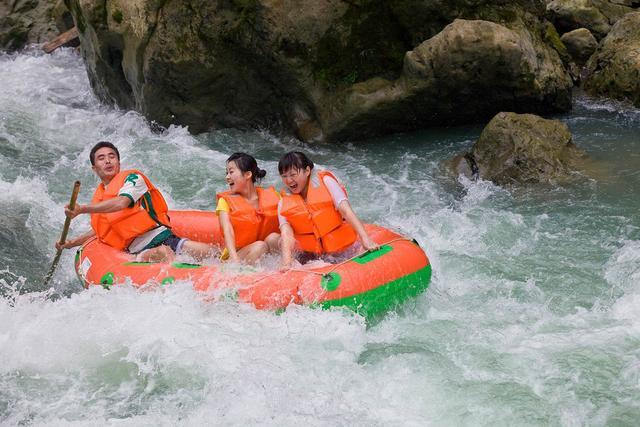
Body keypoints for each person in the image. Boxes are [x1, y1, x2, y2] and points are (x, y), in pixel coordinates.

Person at [56, 141, 214, 263]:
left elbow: (122, 203)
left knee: (209, 254)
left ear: (119, 163)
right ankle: (145, 258)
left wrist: (82, 209)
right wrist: (71, 243)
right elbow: (100, 231)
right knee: (163, 253)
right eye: (101, 158)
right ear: (94, 168)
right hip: (133, 249)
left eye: (112, 156)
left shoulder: (133, 179)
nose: (108, 161)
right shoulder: (100, 196)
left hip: (160, 237)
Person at [276, 151, 378, 270]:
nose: (288, 180)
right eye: (284, 176)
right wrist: (286, 263)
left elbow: (346, 211)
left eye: (293, 175)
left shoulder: (327, 183)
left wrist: (365, 239)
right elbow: (286, 233)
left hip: (341, 250)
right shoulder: (283, 202)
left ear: (307, 171)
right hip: (311, 257)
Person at [216, 153, 280, 264]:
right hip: (235, 258)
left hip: (263, 254)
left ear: (247, 174)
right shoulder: (224, 202)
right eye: (227, 173)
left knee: (273, 238)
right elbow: (228, 230)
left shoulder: (274, 196)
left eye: (231, 172)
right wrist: (234, 259)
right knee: (260, 246)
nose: (227, 177)